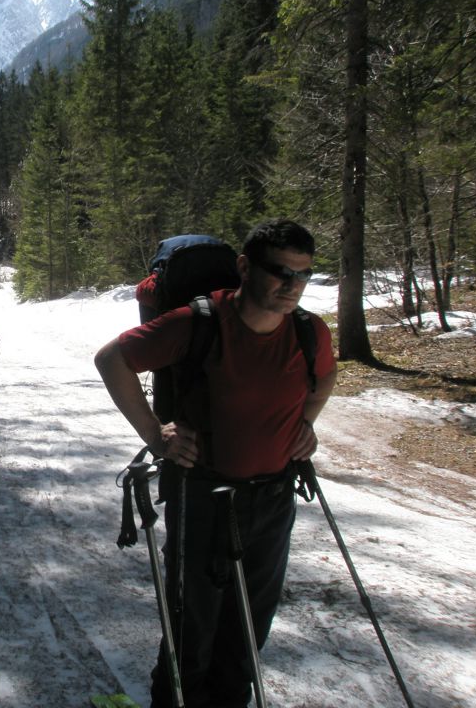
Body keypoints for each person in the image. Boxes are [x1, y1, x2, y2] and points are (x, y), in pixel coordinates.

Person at [94, 219, 337, 708]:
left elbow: (324, 379)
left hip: (273, 498)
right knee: (192, 626)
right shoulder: (197, 322)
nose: (292, 285)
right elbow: (111, 359)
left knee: (250, 627)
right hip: (202, 496)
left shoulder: (310, 332)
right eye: (280, 271)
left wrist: (304, 425)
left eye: (303, 274)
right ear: (245, 267)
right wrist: (154, 434)